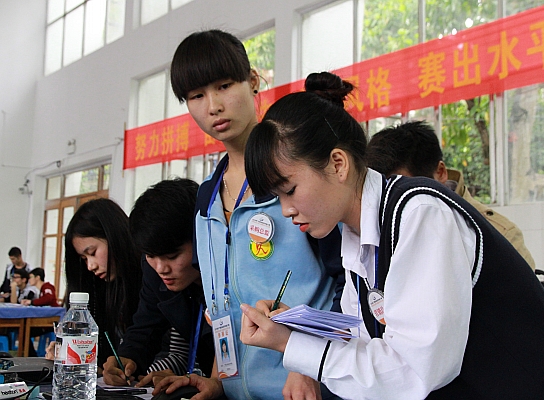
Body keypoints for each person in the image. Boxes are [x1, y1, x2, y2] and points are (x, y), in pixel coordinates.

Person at [237, 71, 544, 399]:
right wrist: (301, 328)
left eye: (290, 190)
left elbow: (413, 371)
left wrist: (290, 345)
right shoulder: (359, 236)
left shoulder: (420, 214)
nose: (286, 209)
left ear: (338, 163)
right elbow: (363, 337)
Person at [153, 30, 343, 400]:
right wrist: (216, 381)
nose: (213, 106)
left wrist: (310, 363)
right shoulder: (206, 199)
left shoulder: (299, 179)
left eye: (224, 86)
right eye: (196, 96)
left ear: (253, 81)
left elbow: (351, 284)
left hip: (306, 389)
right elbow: (221, 303)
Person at [366, 121, 536, 270]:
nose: (394, 203)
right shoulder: (374, 230)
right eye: (385, 192)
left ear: (440, 172)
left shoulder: (500, 234)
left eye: (403, 192)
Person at [103, 179, 215, 388]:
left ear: (202, 238)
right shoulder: (154, 271)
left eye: (172, 256)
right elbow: (146, 324)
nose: (161, 268)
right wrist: (127, 359)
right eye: (151, 255)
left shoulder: (230, 276)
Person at [64, 198, 187, 378]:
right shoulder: (102, 289)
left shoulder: (160, 278)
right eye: (84, 259)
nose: (90, 266)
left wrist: (133, 374)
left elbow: (179, 354)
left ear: (114, 237)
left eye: (92, 253)